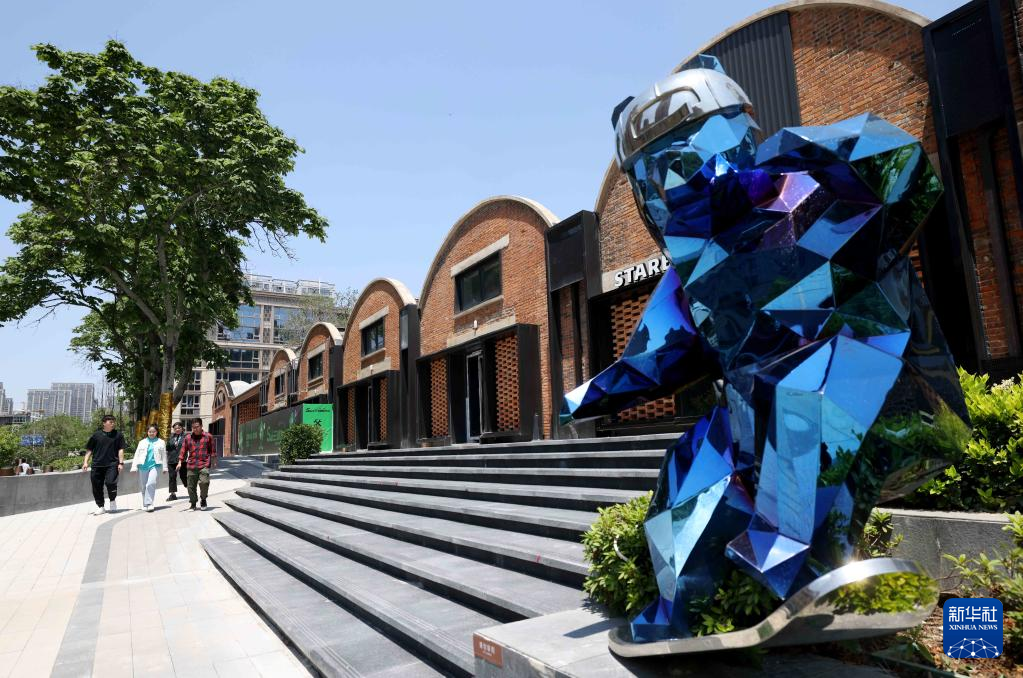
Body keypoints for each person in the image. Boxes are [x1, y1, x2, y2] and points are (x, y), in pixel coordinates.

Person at [83, 415, 126, 514]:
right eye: (110, 422)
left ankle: (112, 500)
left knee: (111, 483)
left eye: (113, 422)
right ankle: (101, 506)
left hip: (112, 464)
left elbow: (121, 449)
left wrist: (121, 463)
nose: (113, 423)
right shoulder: (96, 435)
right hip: (97, 465)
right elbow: (89, 449)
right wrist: (85, 462)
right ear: (104, 423)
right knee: (96, 486)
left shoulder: (118, 435)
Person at [177, 417, 216, 511]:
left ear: (201, 426)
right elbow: (183, 450)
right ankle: (193, 503)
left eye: (197, 427)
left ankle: (203, 499)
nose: (195, 429)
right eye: (193, 427)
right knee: (191, 486)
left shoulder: (208, 436)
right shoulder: (188, 437)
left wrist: (214, 462)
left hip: (204, 464)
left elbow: (212, 450)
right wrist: (179, 462)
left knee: (204, 482)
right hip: (191, 465)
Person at [133, 425, 167, 512]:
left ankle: (149, 503)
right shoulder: (142, 442)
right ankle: (144, 503)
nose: (151, 433)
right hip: (143, 466)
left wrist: (165, 467)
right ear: (147, 432)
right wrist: (134, 467)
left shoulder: (161, 442)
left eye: (153, 431)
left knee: (151, 483)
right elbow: (137, 454)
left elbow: (164, 455)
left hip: (155, 465)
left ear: (156, 432)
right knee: (143, 486)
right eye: (150, 432)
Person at [165, 421, 186, 501]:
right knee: (172, 477)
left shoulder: (186, 437)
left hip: (182, 461)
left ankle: (191, 490)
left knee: (183, 476)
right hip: (171, 460)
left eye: (179, 428)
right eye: (175, 428)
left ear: (182, 428)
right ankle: (173, 494)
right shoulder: (170, 437)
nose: (177, 429)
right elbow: (167, 448)